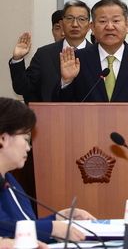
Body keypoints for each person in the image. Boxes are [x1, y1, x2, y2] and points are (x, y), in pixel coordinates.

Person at [0, 97, 95, 243]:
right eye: (26, 139)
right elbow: (5, 227)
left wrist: (59, 218)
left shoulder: (9, 180)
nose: (28, 147)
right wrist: (53, 228)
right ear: (3, 138)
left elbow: (25, 224)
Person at [56, 0, 128, 102]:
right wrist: (67, 82)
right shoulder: (77, 59)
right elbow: (62, 107)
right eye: (102, 21)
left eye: (116, 20)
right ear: (92, 27)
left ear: (127, 25)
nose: (110, 27)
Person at [9, 0, 92, 103]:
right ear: (62, 24)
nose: (75, 24)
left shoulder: (97, 55)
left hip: (89, 117)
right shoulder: (44, 54)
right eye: (70, 18)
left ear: (89, 26)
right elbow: (23, 89)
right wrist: (17, 59)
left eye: (81, 19)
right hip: (50, 116)